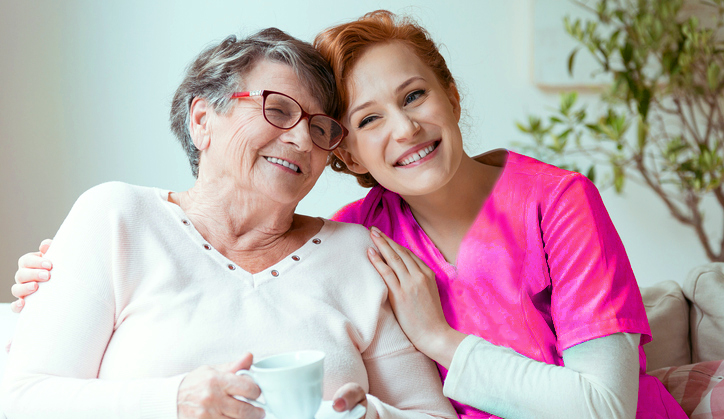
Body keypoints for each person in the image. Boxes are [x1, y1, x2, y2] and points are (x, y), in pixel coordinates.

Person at [12, 10, 689, 419]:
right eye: (365, 119)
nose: (405, 128)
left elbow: (603, 407)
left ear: (451, 96)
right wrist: (63, 274)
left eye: (417, 93)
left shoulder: (545, 203)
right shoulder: (357, 236)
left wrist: (430, 349)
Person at [1, 27, 458, 419]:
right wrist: (174, 401)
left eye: (321, 129)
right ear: (202, 120)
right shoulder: (117, 218)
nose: (302, 138)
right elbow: (20, 399)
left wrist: (371, 415)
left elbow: (432, 414)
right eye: (278, 110)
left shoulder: (357, 253)